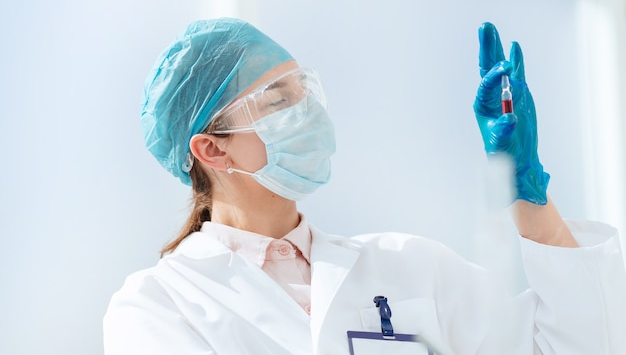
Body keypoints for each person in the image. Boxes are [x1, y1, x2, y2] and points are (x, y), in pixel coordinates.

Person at [103, 18, 626, 355]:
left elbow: (579, 346)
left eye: (303, 90)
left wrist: (525, 190)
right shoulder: (157, 306)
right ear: (212, 149)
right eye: (277, 100)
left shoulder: (412, 267)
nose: (307, 112)